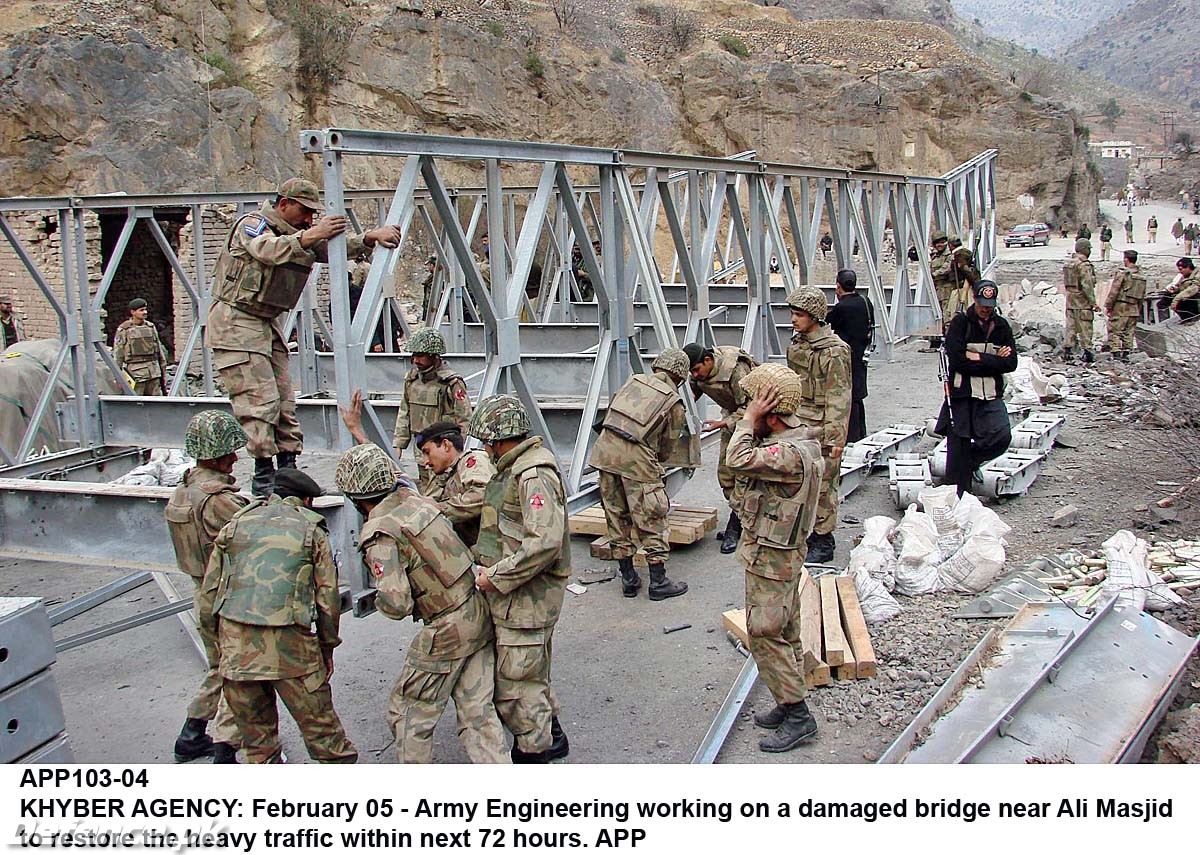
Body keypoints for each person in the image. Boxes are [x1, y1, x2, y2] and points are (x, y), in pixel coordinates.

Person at [207, 177, 402, 497]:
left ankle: (286, 467)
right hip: (236, 323)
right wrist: (312, 234)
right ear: (283, 204)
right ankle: (264, 474)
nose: (310, 219)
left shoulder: (299, 235)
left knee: (284, 399)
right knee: (259, 400)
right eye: (304, 211)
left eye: (313, 213)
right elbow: (266, 251)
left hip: (265, 323)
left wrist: (368, 238)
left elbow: (329, 248)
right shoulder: (254, 225)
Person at [334, 444, 509, 764]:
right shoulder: (415, 500)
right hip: (476, 610)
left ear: (356, 499)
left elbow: (397, 602)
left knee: (408, 715)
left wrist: (383, 600)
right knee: (478, 715)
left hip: (445, 628)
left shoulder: (380, 531)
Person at [198, 468, 357, 764]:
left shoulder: (236, 524)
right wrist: (326, 649)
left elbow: (208, 598)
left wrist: (218, 653)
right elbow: (327, 600)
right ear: (306, 501)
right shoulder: (311, 530)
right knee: (327, 742)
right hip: (291, 649)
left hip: (236, 651)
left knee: (258, 747)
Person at [725, 363, 824, 753]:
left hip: (773, 555)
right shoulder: (800, 441)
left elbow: (736, 459)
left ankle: (799, 714)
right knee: (786, 628)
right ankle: (788, 701)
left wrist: (747, 421)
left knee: (765, 632)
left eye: (754, 404)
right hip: (776, 552)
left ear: (770, 413)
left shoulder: (787, 453)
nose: (747, 410)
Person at [467, 395, 570, 763]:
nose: (484, 449)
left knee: (516, 685)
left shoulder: (532, 474)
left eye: (486, 442)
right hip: (519, 596)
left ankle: (535, 753)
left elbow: (544, 542)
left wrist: (495, 576)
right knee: (530, 673)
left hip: (526, 599)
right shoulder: (514, 468)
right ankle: (551, 733)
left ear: (498, 440)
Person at [165, 410, 250, 764]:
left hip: (202, 593)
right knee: (241, 670)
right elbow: (251, 535)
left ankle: (192, 733)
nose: (235, 457)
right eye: (230, 452)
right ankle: (226, 749)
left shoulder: (182, 492)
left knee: (219, 666)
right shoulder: (217, 499)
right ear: (215, 455)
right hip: (229, 596)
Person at [588, 349, 695, 600]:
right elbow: (667, 447)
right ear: (679, 377)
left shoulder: (632, 382)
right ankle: (658, 581)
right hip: (637, 459)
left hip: (604, 453)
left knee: (616, 516)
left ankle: (628, 578)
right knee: (652, 516)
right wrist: (655, 464)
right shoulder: (672, 400)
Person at [785, 285, 850, 565]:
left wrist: (836, 440)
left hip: (822, 426)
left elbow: (840, 396)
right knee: (799, 481)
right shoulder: (798, 344)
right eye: (793, 314)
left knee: (824, 485)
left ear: (814, 316)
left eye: (799, 314)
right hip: (797, 423)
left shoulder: (834, 351)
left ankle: (824, 538)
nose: (794, 319)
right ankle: (803, 532)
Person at [935, 280, 1018, 497]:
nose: (985, 309)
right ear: (975, 301)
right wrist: (992, 360)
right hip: (962, 395)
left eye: (989, 305)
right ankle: (956, 494)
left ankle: (970, 462)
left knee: (1001, 437)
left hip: (990, 394)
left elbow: (1010, 363)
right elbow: (958, 361)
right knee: (958, 445)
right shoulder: (961, 323)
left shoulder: (1001, 327)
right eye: (982, 304)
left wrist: (977, 358)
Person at [683, 342, 759, 554]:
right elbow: (689, 397)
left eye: (697, 370)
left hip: (754, 420)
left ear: (708, 361)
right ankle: (743, 518)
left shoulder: (736, 370)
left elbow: (752, 406)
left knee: (743, 476)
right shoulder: (698, 373)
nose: (695, 375)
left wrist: (723, 423)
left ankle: (737, 527)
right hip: (732, 417)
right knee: (726, 475)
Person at [393, 327, 473, 493]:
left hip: (443, 449)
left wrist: (457, 449)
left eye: (420, 355)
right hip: (421, 445)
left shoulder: (451, 383)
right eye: (413, 355)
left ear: (434, 355)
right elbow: (405, 412)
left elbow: (464, 417)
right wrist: (399, 444)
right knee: (425, 488)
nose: (416, 360)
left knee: (443, 490)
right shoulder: (412, 380)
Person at [416, 420, 494, 547]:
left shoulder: (472, 461)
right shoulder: (446, 475)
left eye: (427, 452)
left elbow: (483, 493)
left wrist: (441, 508)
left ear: (446, 445)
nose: (425, 461)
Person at [826, 269, 873, 443]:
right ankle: (861, 433)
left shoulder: (842, 307)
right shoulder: (865, 302)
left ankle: (852, 438)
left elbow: (827, 322)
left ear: (838, 286)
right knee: (858, 396)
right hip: (861, 355)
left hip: (845, 358)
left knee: (848, 397)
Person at [113, 298, 167, 395]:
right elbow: (118, 354)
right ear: (133, 312)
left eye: (145, 309)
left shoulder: (150, 327)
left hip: (154, 372)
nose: (145, 312)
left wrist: (162, 368)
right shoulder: (124, 329)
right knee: (137, 403)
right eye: (141, 310)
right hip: (136, 374)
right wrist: (118, 376)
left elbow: (158, 349)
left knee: (157, 403)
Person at [1105, 250, 1146, 361]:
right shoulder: (1141, 276)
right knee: (1129, 331)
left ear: (1126, 259)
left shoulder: (1123, 273)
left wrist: (1108, 305)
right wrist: (1139, 308)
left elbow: (1115, 290)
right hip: (1134, 307)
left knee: (1115, 330)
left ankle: (1116, 353)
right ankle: (1127, 353)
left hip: (1120, 306)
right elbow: (1142, 295)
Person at [1062, 238, 1098, 363]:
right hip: (1082, 300)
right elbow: (1087, 285)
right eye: (1088, 249)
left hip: (1070, 298)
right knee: (1085, 325)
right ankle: (1087, 351)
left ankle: (1068, 350)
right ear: (1084, 249)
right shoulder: (1083, 265)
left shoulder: (1069, 263)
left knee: (1070, 325)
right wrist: (1093, 302)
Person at [929, 230, 954, 346]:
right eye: (937, 243)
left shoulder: (949, 255)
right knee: (937, 315)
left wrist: (934, 274)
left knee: (947, 315)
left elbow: (946, 268)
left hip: (947, 288)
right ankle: (938, 339)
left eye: (942, 242)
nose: (940, 245)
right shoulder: (934, 255)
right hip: (937, 288)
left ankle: (949, 340)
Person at [420, 255, 438, 320]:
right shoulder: (432, 277)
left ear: (432, 265)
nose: (428, 267)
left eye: (429, 265)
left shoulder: (437, 278)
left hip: (433, 307)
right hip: (430, 306)